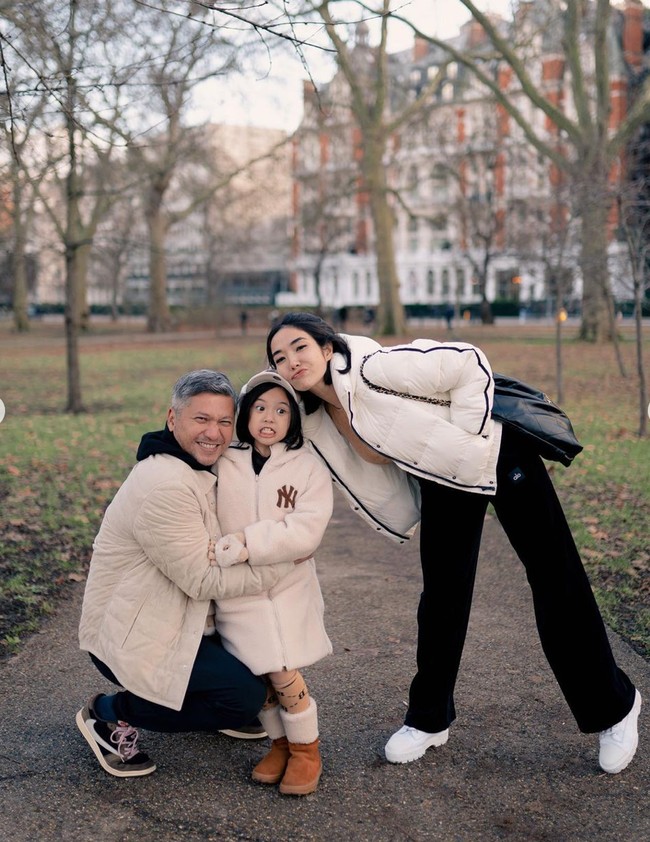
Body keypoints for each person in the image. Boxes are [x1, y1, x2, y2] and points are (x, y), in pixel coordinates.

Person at [265, 312, 641, 775]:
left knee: (554, 579)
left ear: (326, 347)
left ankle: (615, 709)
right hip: (444, 481)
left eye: (299, 347)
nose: (291, 360)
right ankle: (429, 720)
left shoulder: (370, 367)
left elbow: (467, 362)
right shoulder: (319, 413)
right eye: (279, 357)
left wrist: (469, 440)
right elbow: (260, 411)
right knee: (442, 598)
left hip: (500, 455)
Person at [76, 369, 297, 778]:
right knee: (244, 698)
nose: (214, 433)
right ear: (172, 418)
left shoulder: (206, 467)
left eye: (224, 421)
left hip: (186, 620)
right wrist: (280, 565)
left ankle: (208, 699)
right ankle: (108, 714)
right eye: (201, 419)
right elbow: (203, 580)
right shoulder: (166, 484)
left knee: (271, 653)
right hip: (136, 634)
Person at [211, 370, 333, 795]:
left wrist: (249, 542)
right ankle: (280, 744)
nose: (269, 417)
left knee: (282, 668)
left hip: (286, 586)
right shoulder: (225, 461)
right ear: (245, 413)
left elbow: (307, 530)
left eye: (281, 410)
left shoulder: (306, 466)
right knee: (256, 671)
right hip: (238, 589)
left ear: (293, 419)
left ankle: (306, 750)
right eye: (260, 407)